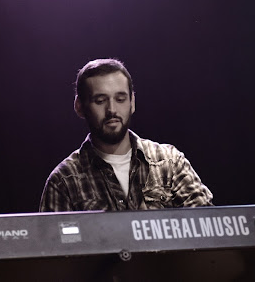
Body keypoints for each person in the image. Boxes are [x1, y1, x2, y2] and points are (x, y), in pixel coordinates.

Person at [39, 58, 213, 212]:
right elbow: (53, 239)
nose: (112, 110)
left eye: (120, 99)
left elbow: (207, 225)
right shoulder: (64, 181)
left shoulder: (169, 162)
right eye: (100, 101)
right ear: (79, 107)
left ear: (132, 102)